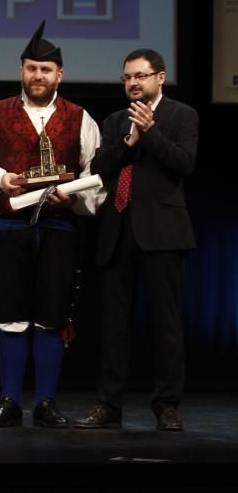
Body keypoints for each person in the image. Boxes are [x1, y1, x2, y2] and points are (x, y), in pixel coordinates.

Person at [0, 21, 101, 428]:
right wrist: (2, 180)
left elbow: (93, 172)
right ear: (21, 71)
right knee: (9, 312)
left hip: (59, 228)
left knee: (53, 314)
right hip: (9, 227)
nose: (38, 76)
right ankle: (10, 401)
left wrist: (75, 195)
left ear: (59, 74)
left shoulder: (80, 118)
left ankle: (45, 403)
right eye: (31, 68)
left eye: (45, 70)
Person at [73, 49, 198, 432]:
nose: (132, 83)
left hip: (162, 232)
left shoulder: (182, 115)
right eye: (127, 77)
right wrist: (128, 140)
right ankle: (109, 405)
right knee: (114, 327)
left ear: (160, 78)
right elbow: (99, 169)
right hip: (117, 230)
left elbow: (184, 164)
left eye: (140, 76)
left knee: (166, 324)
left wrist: (151, 133)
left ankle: (167, 405)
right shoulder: (113, 121)